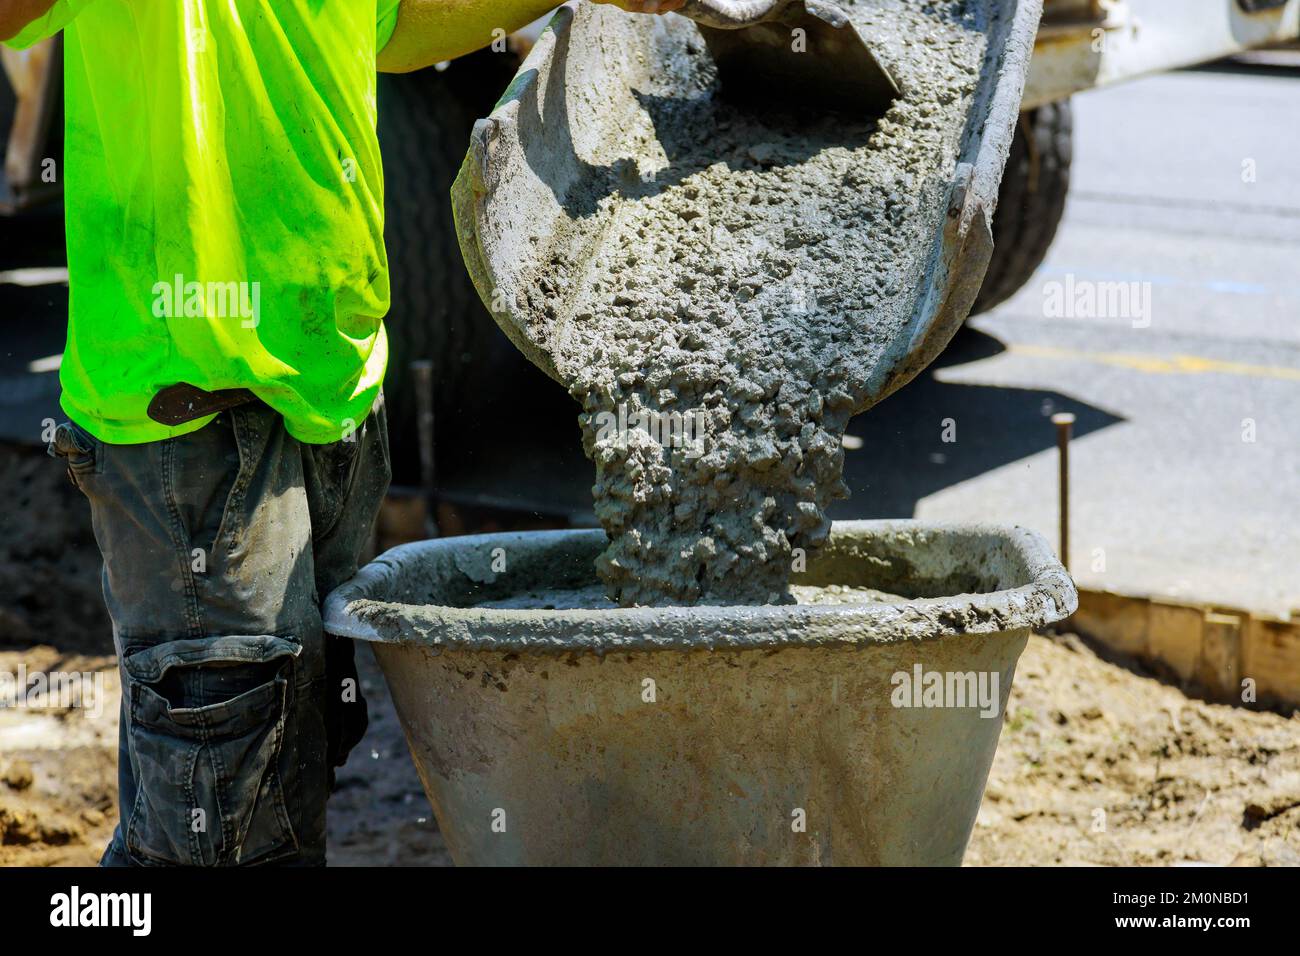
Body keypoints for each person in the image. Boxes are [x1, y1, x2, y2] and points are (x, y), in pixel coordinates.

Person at [0, 0, 680, 866]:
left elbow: (388, 24)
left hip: (336, 394)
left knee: (276, 779)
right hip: (195, 414)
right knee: (229, 834)